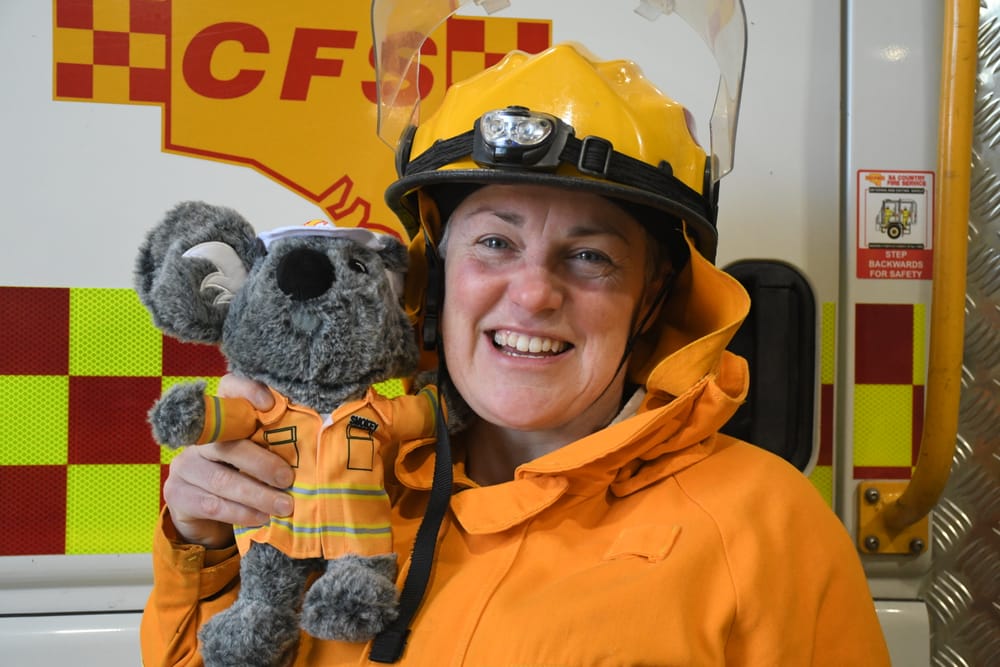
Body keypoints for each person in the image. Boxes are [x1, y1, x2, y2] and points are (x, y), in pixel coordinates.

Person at [140, 43, 892, 666]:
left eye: (591, 256)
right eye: (496, 242)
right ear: (435, 276)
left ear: (654, 297)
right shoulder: (352, 480)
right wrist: (206, 547)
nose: (533, 294)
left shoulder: (763, 526)